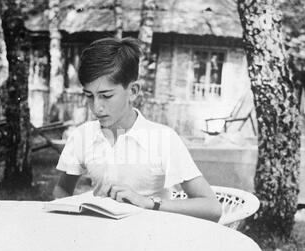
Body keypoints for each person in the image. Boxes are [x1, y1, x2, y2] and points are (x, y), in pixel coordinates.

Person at [53, 37, 221, 222]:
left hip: (150, 238)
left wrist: (148, 203)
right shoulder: (83, 136)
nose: (96, 107)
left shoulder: (162, 139)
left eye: (106, 96)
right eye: (89, 96)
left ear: (133, 91)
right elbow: (62, 189)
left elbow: (211, 207)